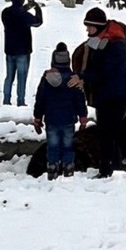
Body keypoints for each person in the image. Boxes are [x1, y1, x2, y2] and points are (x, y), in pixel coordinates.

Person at [81, 7, 126, 178]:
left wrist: (82, 77)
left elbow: (103, 72)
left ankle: (107, 170)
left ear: (98, 27)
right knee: (110, 132)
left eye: (89, 26)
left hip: (113, 96)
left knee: (107, 133)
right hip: (111, 94)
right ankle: (113, 166)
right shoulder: (104, 42)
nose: (87, 30)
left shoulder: (113, 46)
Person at [32, 43, 88, 179]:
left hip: (51, 119)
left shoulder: (46, 79)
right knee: (68, 145)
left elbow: (40, 99)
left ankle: (52, 167)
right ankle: (68, 167)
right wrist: (83, 116)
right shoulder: (73, 79)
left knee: (52, 145)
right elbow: (79, 99)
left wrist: (38, 117)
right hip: (69, 119)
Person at [0, 0, 43, 106]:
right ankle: (20, 101)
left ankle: (6, 99)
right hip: (23, 50)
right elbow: (38, 22)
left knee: (9, 77)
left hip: (9, 49)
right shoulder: (25, 15)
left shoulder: (5, 13)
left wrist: (26, 7)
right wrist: (37, 8)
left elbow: (17, 12)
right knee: (22, 77)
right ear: (22, 0)